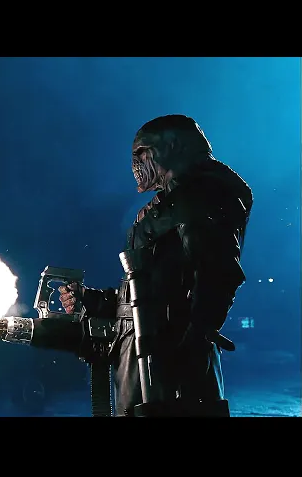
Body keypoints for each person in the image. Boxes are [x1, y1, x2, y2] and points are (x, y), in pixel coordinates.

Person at [59, 115, 253, 416]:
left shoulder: (198, 197)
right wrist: (93, 300)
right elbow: (149, 292)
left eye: (142, 152)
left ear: (172, 147)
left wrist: (194, 344)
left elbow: (218, 275)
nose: (136, 164)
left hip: (166, 365)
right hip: (148, 359)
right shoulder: (175, 203)